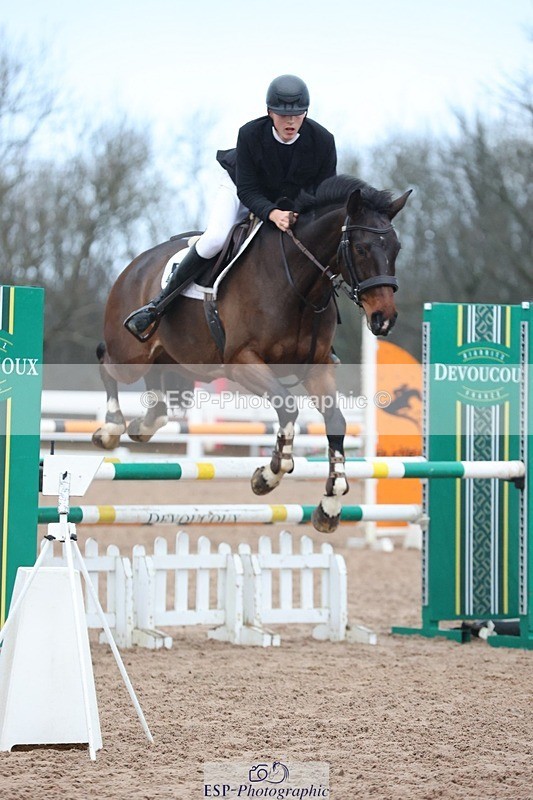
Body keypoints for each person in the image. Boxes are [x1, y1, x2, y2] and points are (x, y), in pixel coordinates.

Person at [124, 74, 337, 341]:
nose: (291, 121)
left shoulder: (323, 141)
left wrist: (298, 216)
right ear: (270, 112)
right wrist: (271, 213)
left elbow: (324, 194)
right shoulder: (250, 134)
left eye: (298, 114)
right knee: (215, 238)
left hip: (290, 204)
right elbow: (247, 190)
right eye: (283, 115)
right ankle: (158, 304)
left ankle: (321, 337)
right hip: (242, 188)